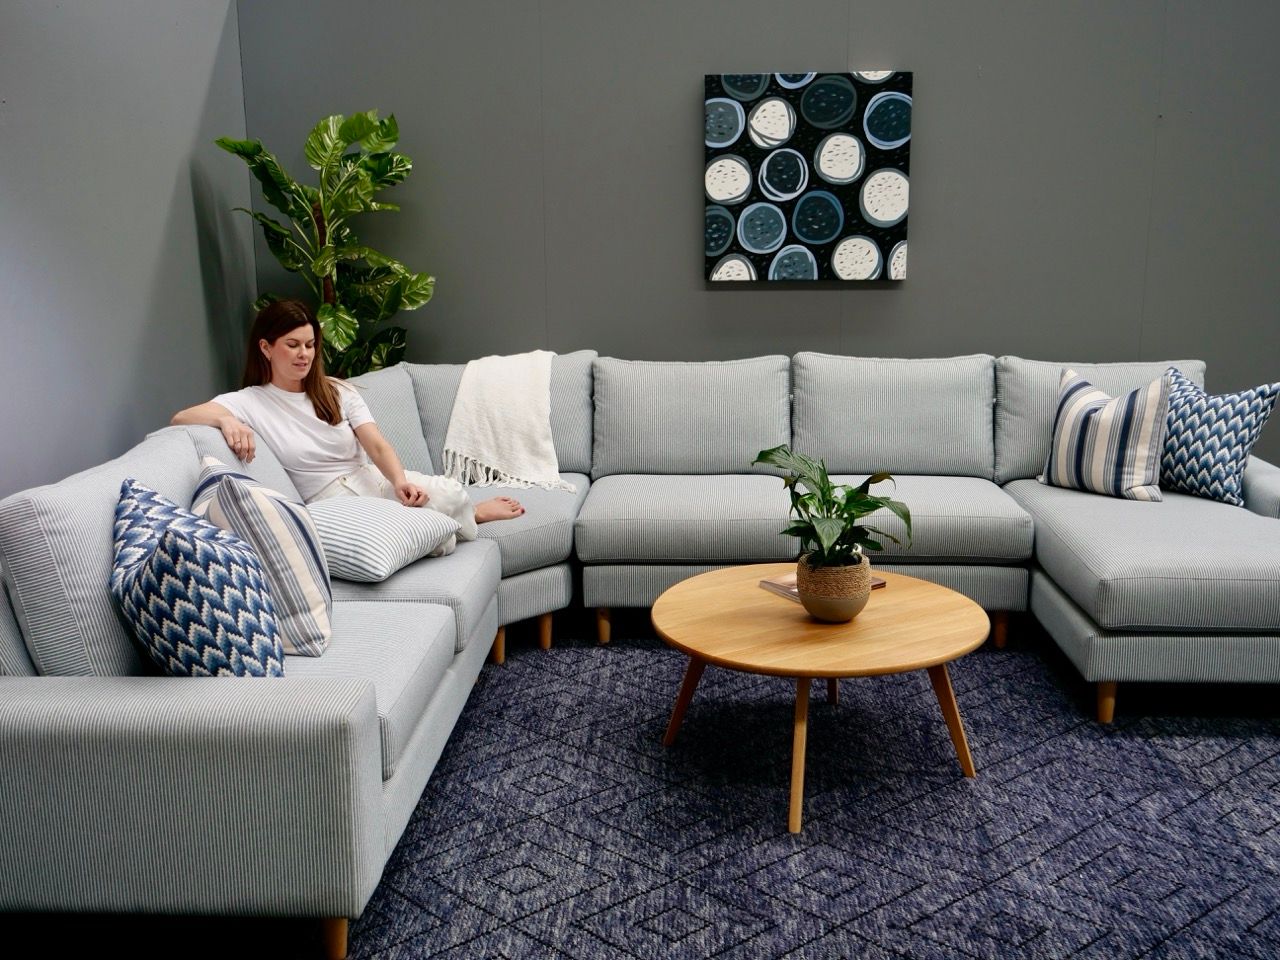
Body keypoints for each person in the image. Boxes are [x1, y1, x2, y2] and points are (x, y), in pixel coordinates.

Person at [172, 299, 522, 551]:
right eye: (292, 345)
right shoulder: (249, 401)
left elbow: (377, 446)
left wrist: (399, 481)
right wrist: (225, 418)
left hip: (372, 480)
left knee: (450, 493)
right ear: (266, 348)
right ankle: (466, 519)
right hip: (332, 504)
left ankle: (467, 513)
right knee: (423, 534)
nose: (304, 354)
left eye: (310, 345)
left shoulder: (337, 391)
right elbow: (181, 417)